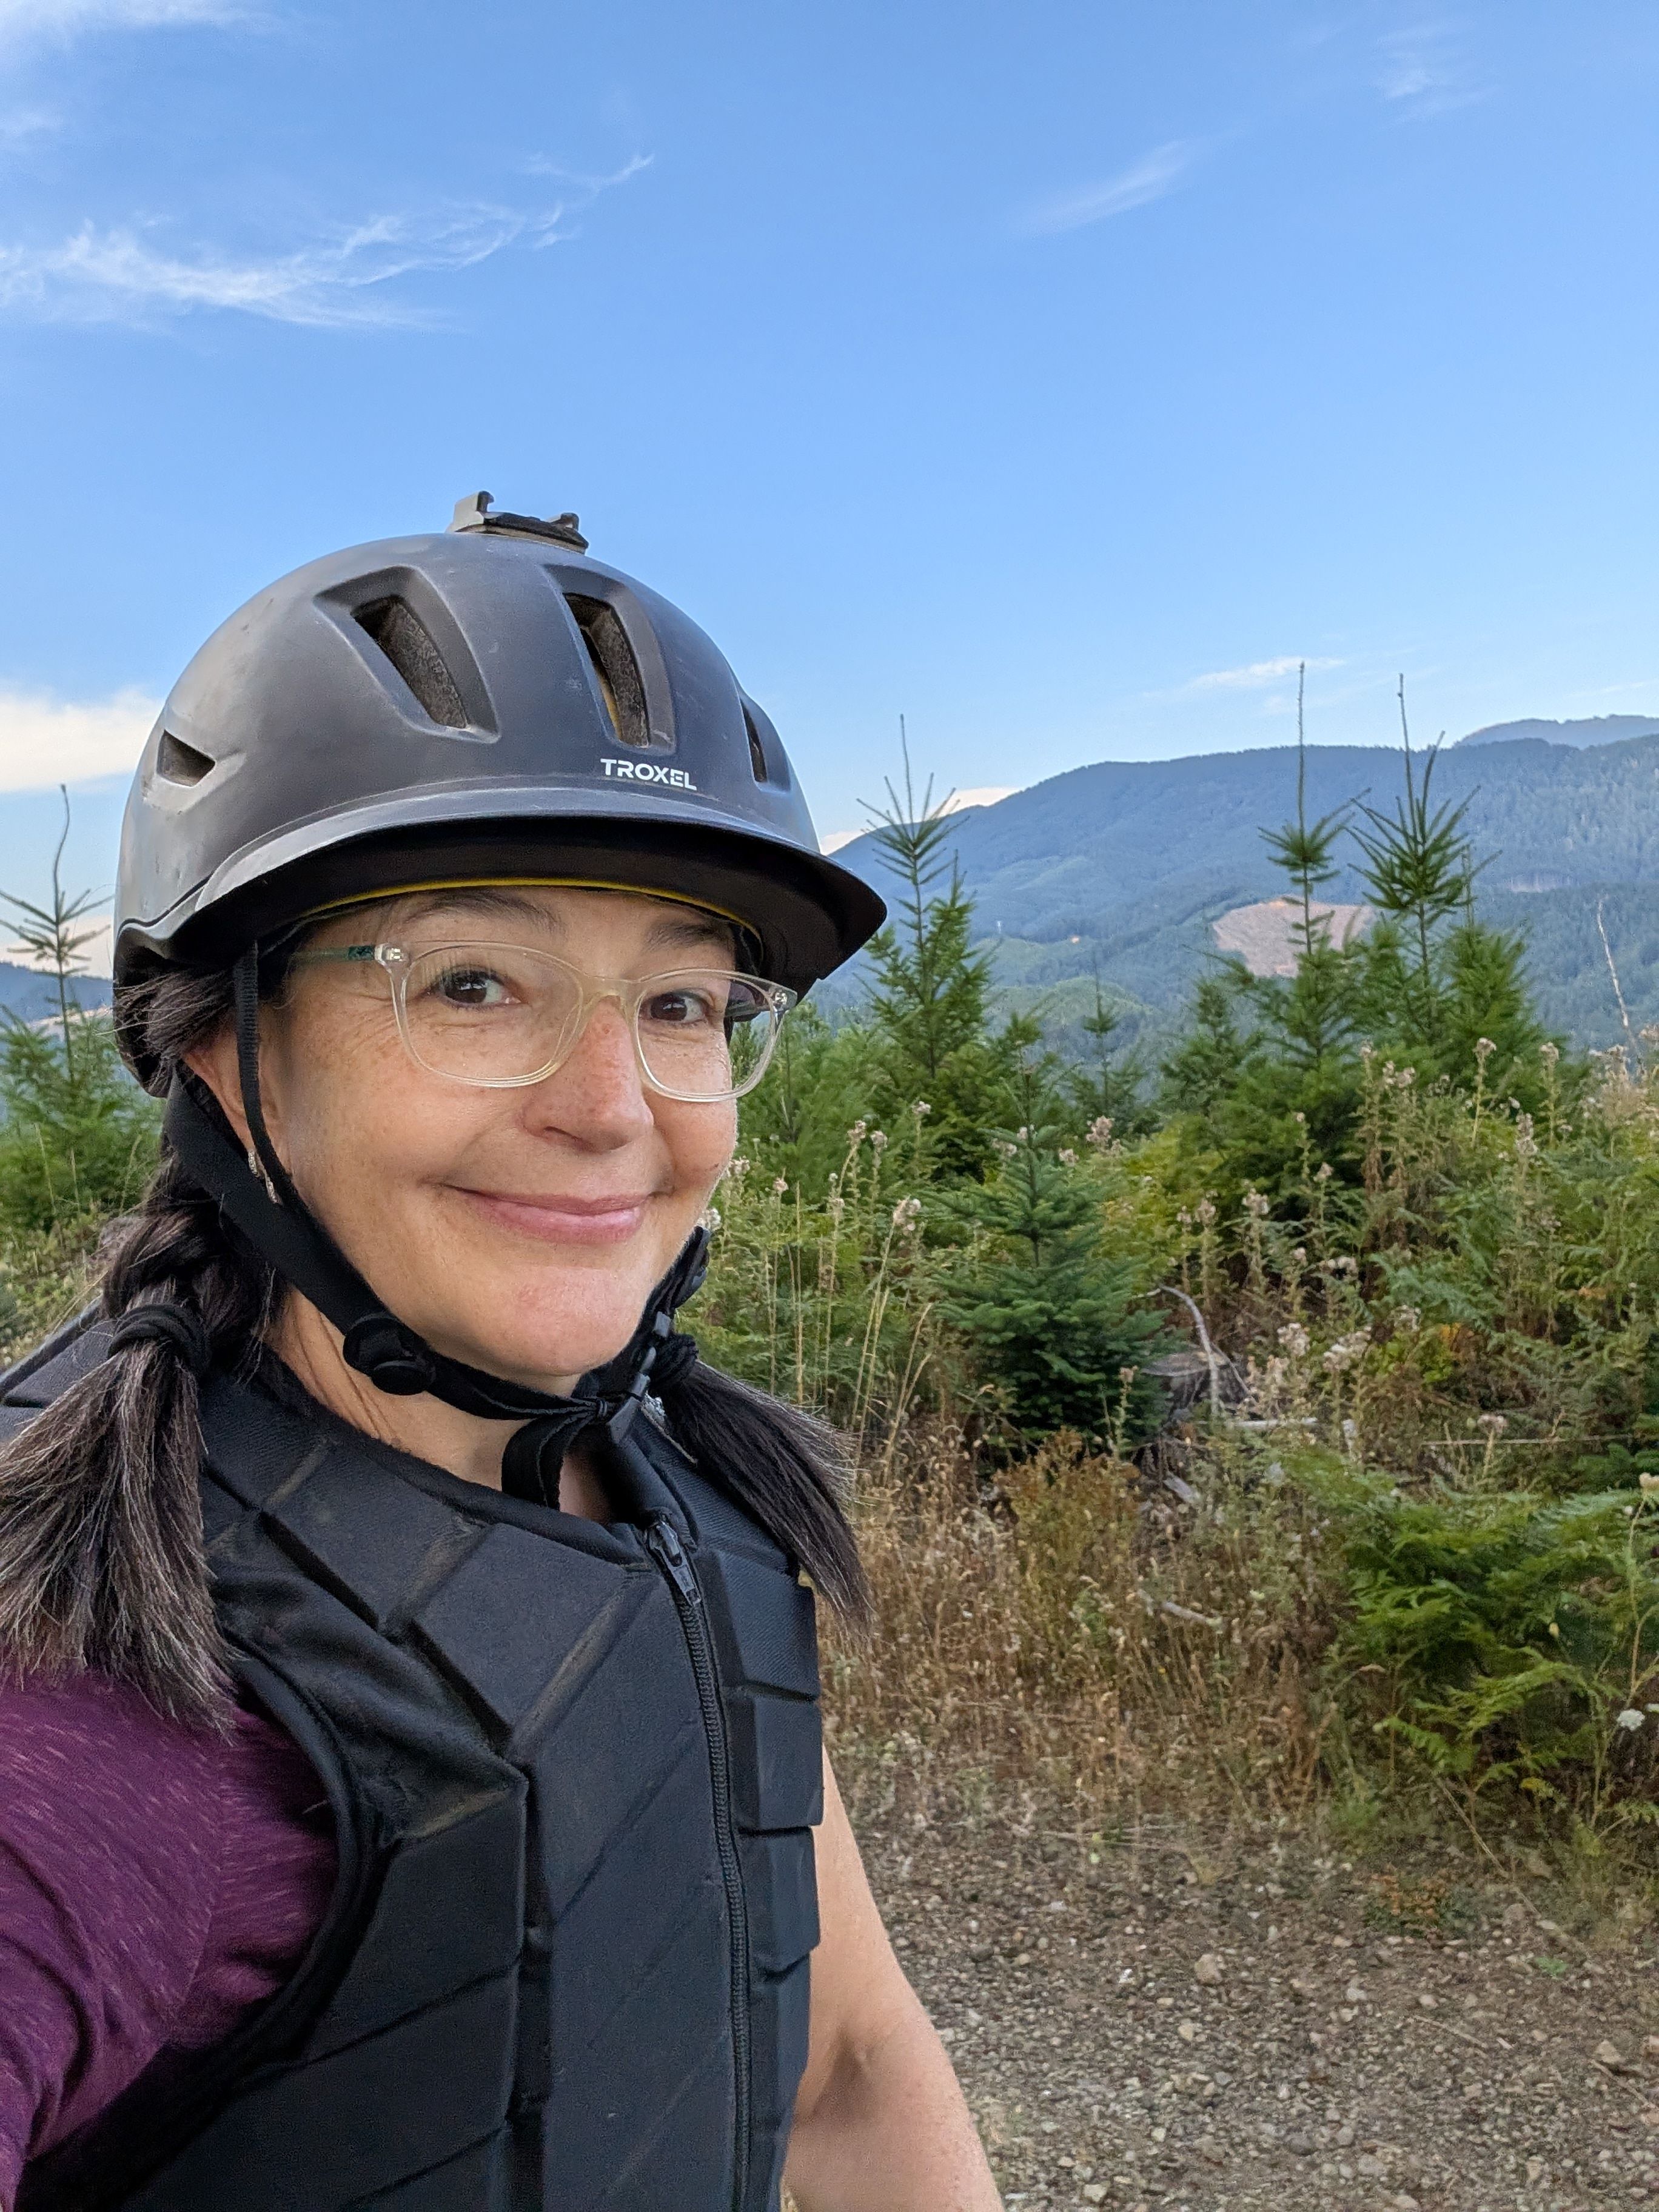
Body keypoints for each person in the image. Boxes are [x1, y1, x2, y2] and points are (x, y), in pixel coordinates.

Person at [0, 498, 1002, 2212]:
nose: (612, 1110)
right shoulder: (100, 1671)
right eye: (473, 985)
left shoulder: (691, 1496)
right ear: (224, 1051)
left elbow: (842, 2074)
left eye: (682, 1006)